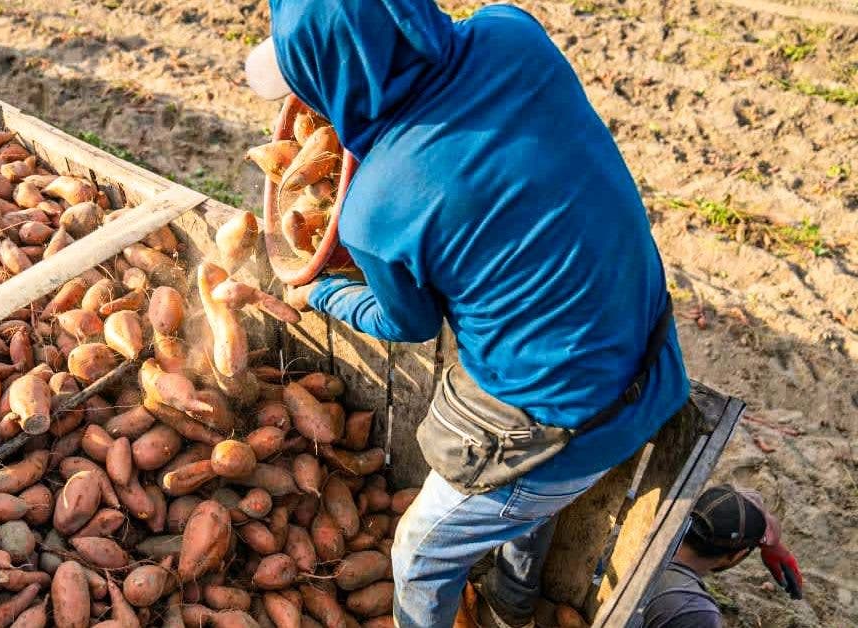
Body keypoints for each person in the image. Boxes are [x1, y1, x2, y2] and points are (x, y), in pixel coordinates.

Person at [245, 1, 691, 627]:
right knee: (526, 505)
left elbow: (410, 324)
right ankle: (513, 604)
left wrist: (321, 295)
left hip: (554, 436)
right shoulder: (512, 32)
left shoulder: (373, 211)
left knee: (419, 555)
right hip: (648, 358)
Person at [644, 485, 803, 628]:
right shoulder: (695, 612)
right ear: (735, 556)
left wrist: (772, 544)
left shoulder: (642, 531)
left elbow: (734, 500)